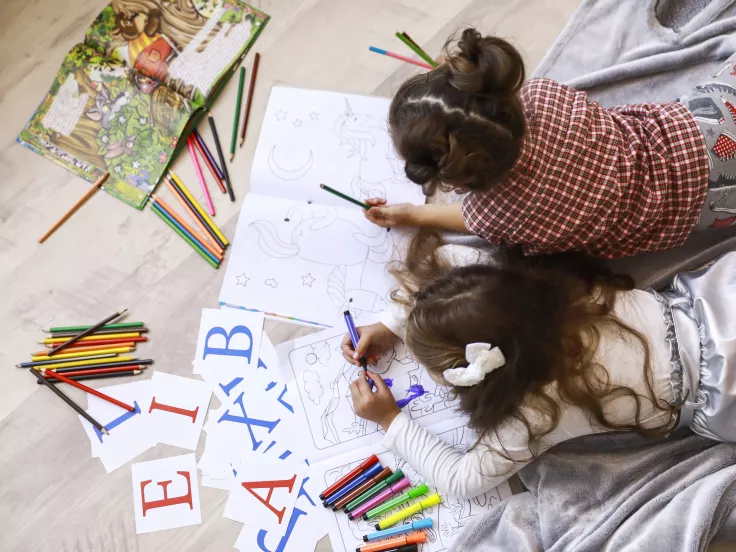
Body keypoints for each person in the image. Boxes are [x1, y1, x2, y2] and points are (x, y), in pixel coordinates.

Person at [342, 235, 736, 497]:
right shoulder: (527, 285)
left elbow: (460, 481)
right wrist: (391, 321)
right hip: (718, 301)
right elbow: (445, 257)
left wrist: (390, 419)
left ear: (472, 377)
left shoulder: (532, 415)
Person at [364, 28, 736, 258]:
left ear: (456, 178)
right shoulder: (545, 96)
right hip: (702, 126)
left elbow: (470, 218)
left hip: (713, 209)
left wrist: (413, 214)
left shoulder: (495, 216)